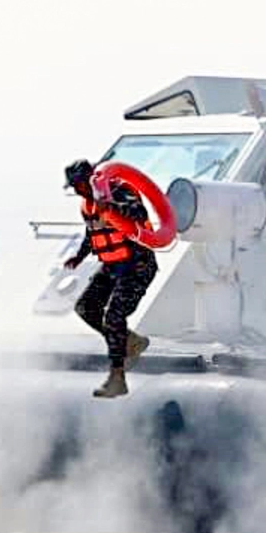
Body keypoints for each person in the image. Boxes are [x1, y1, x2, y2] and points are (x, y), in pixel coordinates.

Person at [63, 159, 155, 398]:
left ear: (91, 179)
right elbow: (92, 232)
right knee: (85, 307)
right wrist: (79, 257)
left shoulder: (119, 191)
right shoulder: (87, 205)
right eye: (73, 186)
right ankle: (131, 341)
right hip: (112, 265)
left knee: (114, 315)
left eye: (79, 185)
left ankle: (117, 378)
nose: (76, 190)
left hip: (137, 265)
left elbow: (138, 213)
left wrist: (111, 208)